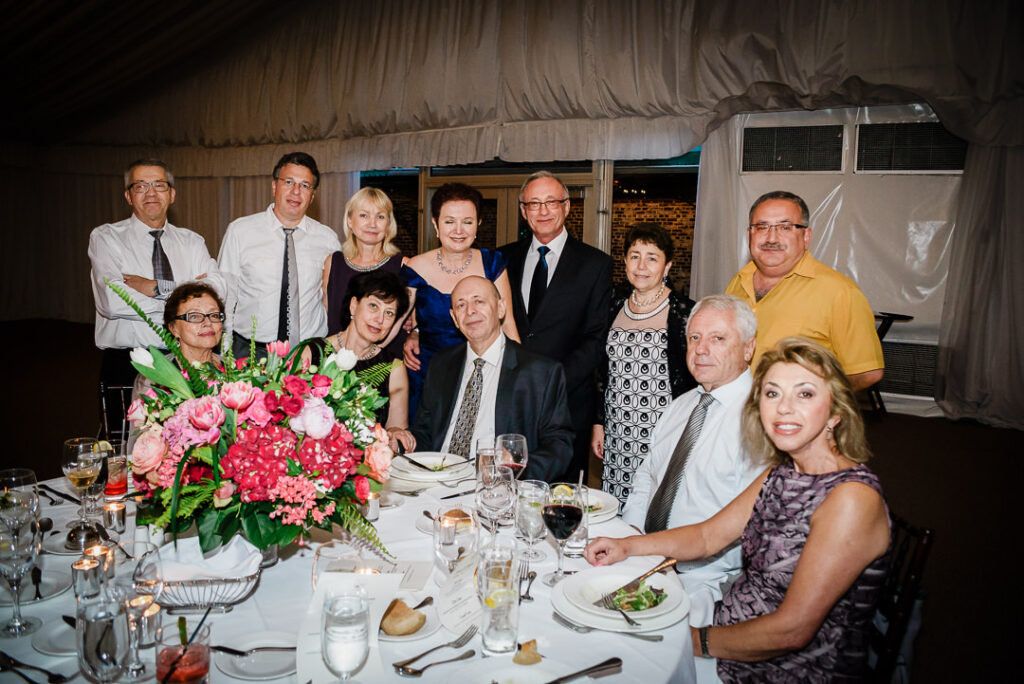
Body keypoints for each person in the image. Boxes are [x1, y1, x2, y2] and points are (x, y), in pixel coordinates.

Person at [587, 337, 891, 682]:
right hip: (733, 622)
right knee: (604, 629)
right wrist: (627, 545)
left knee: (626, 664)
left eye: (804, 394)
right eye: (772, 393)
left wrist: (689, 641)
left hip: (791, 666)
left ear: (836, 412)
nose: (784, 408)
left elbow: (792, 631)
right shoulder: (782, 472)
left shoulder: (850, 498)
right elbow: (707, 536)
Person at [614, 294, 762, 624]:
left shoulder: (762, 421)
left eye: (718, 338)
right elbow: (645, 479)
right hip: (642, 558)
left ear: (749, 348)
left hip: (703, 583)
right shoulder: (680, 406)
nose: (701, 349)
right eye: (694, 338)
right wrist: (634, 536)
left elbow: (748, 533)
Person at [89, 159, 226, 419]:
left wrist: (157, 287)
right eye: (141, 186)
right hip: (129, 362)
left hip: (190, 360)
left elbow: (216, 291)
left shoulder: (192, 241)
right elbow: (112, 300)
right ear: (128, 196)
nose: (151, 193)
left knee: (193, 443)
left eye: (159, 185)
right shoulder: (106, 238)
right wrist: (186, 303)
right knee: (130, 449)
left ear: (171, 194)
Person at [500, 171, 613, 482]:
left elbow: (596, 337)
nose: (543, 210)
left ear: (567, 207)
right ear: (523, 211)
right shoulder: (501, 259)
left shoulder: (595, 264)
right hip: (511, 401)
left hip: (567, 402)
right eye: (534, 204)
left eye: (552, 202)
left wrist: (552, 381)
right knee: (506, 487)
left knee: (561, 499)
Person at [408, 276, 573, 482]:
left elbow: (559, 445)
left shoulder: (541, 372)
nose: (470, 311)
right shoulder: (441, 364)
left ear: (501, 308)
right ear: (454, 318)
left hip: (497, 487)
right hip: (436, 481)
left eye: (479, 301)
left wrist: (515, 465)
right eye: (461, 305)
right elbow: (424, 431)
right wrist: (404, 440)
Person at [726, 190, 884, 390]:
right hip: (736, 414)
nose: (771, 238)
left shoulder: (839, 292)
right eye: (762, 227)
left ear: (806, 236)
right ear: (750, 234)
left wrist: (808, 401)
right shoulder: (737, 283)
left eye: (785, 227)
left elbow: (866, 373)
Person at [592, 224, 697, 509]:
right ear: (625, 261)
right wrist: (599, 422)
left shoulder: (685, 312)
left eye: (652, 257)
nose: (641, 265)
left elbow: (697, 379)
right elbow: (604, 372)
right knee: (617, 508)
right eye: (634, 255)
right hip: (618, 430)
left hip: (663, 430)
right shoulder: (612, 307)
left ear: (667, 266)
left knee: (657, 507)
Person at [402, 182, 520, 419]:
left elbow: (508, 325)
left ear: (477, 225)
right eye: (449, 222)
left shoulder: (493, 264)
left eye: (467, 222)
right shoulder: (415, 268)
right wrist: (411, 334)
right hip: (427, 375)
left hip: (482, 373)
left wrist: (522, 377)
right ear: (435, 224)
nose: (459, 230)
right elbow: (392, 323)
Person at [218, 152, 341, 358]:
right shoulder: (240, 231)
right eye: (289, 182)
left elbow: (333, 297)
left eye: (305, 185)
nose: (296, 191)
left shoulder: (327, 239)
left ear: (312, 195)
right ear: (274, 186)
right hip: (250, 350)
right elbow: (226, 294)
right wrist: (224, 350)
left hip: (307, 352)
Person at [321, 271, 415, 452]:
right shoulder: (313, 352)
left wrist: (395, 434)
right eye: (373, 306)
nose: (379, 320)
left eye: (389, 313)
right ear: (354, 306)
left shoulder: (393, 368)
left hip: (367, 467)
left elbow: (396, 429)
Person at [321, 187, 407, 358]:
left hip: (385, 366)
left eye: (380, 217)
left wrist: (415, 333)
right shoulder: (334, 262)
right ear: (350, 221)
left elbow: (416, 321)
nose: (372, 223)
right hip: (337, 365)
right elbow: (329, 317)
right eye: (364, 215)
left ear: (389, 225)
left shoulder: (404, 266)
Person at [132, 282, 226, 402]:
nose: (208, 323)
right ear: (173, 328)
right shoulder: (153, 377)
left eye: (214, 315)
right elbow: (142, 420)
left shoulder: (235, 372)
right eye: (194, 316)